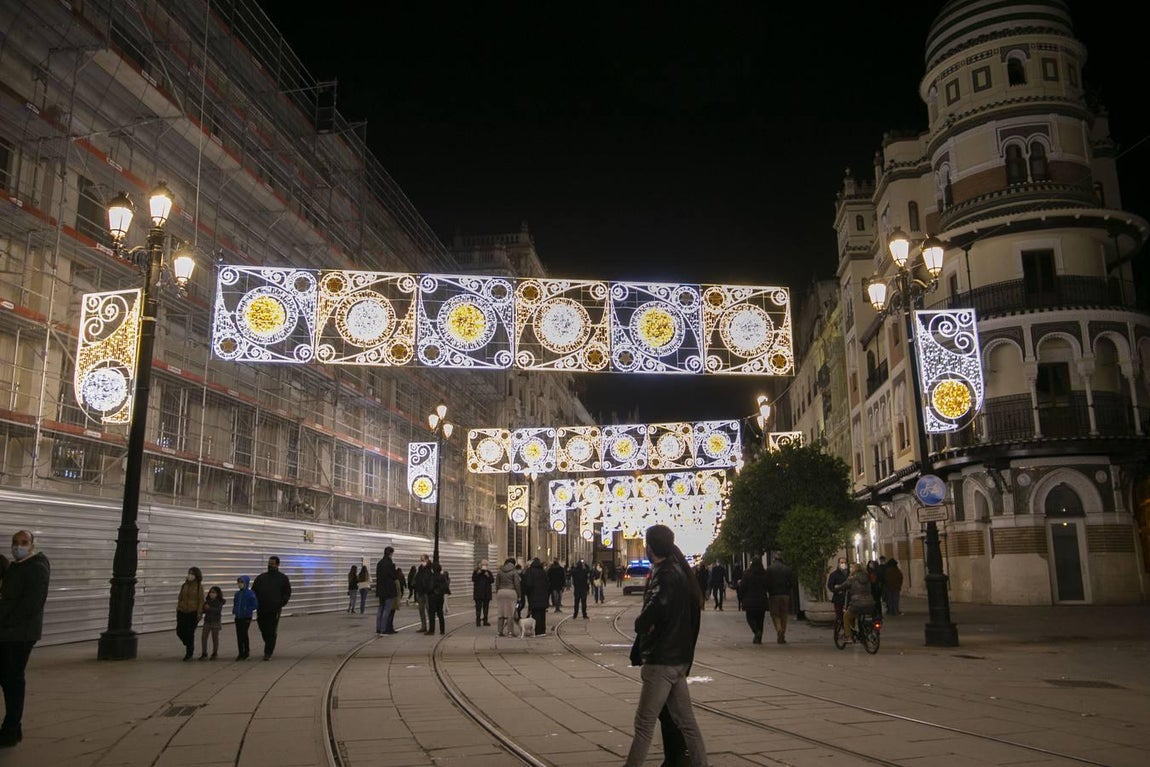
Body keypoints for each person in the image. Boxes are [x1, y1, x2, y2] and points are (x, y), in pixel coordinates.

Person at [625, 524, 707, 767]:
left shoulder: (665, 573)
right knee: (686, 722)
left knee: (644, 724)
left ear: (650, 547)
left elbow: (658, 605)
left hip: (661, 660)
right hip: (677, 659)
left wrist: (642, 623)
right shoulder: (679, 571)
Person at [0, 530, 50, 748]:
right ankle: (11, 728)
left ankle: (12, 729)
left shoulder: (37, 568)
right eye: (15, 542)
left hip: (20, 635)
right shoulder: (16, 567)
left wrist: (4, 619)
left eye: (23, 543)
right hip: (9, 633)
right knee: (9, 679)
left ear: (31, 545)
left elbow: (31, 604)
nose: (18, 546)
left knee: (12, 680)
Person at [252, 556, 292, 660]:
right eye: (269, 563)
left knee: (271, 630)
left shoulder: (283, 578)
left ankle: (268, 652)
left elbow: (287, 592)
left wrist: (281, 603)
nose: (270, 565)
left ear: (278, 565)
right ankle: (269, 643)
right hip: (261, 608)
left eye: (273, 563)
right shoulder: (261, 578)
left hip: (275, 609)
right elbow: (254, 591)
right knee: (263, 628)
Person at [764, 554, 796, 644]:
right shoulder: (788, 569)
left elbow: (766, 582)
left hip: (774, 595)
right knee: (784, 614)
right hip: (785, 595)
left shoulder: (770, 569)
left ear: (774, 560)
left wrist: (768, 590)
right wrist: (788, 589)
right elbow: (792, 582)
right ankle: (783, 633)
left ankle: (779, 629)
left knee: (775, 614)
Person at [736, 558, 768, 644]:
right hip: (761, 600)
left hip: (749, 601)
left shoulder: (747, 574)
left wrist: (740, 597)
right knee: (760, 619)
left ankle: (756, 632)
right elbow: (767, 586)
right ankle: (759, 636)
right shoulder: (764, 573)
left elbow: (742, 587)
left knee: (750, 618)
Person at [841, 562, 876, 641]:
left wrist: (836, 587)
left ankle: (849, 636)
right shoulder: (867, 578)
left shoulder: (852, 578)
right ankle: (864, 632)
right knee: (863, 616)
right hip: (870, 603)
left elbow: (843, 586)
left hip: (857, 604)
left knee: (846, 616)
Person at [176, 566, 204, 661]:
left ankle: (189, 653)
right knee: (179, 631)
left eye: (192, 573)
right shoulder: (184, 585)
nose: (190, 575)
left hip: (193, 612)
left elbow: (201, 600)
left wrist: (199, 612)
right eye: (189, 573)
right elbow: (180, 597)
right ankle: (187, 643)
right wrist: (179, 607)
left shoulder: (199, 586)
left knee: (189, 632)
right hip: (182, 611)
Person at [493, 557, 521, 637]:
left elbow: (497, 583)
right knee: (510, 613)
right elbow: (517, 584)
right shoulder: (514, 572)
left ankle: (499, 632)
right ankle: (510, 632)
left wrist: (498, 591)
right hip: (511, 593)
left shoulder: (500, 571)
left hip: (501, 593)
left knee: (501, 613)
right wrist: (519, 595)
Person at [232, 575, 258, 661]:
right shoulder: (237, 594)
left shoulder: (250, 593)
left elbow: (255, 604)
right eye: (239, 582)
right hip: (238, 617)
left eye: (242, 582)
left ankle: (246, 651)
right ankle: (240, 652)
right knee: (239, 635)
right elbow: (235, 604)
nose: (240, 584)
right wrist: (235, 611)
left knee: (244, 633)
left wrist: (247, 610)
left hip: (246, 617)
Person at [521, 557, 549, 635]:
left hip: (534, 596)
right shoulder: (543, 571)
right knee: (542, 614)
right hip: (543, 597)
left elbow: (528, 584)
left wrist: (527, 592)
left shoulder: (530, 571)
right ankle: (542, 630)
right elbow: (547, 583)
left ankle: (537, 630)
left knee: (535, 614)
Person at [375, 546, 399, 635]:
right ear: (390, 553)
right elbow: (394, 576)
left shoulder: (379, 563)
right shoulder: (390, 564)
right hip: (389, 590)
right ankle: (383, 629)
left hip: (380, 590)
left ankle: (378, 628)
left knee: (380, 608)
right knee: (387, 610)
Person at [200, 586, 226, 660]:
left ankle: (215, 653)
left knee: (215, 638)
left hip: (215, 621)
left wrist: (209, 608)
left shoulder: (219, 602)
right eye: (211, 592)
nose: (211, 594)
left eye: (213, 592)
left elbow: (217, 611)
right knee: (204, 637)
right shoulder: (207, 601)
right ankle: (204, 653)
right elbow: (204, 610)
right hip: (207, 621)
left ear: (217, 594)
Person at [425, 562, 449, 634]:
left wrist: (428, 591)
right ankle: (442, 630)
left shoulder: (432, 576)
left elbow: (430, 587)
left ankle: (431, 630)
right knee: (440, 613)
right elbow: (445, 586)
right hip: (440, 597)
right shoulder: (443, 576)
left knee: (432, 614)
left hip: (433, 597)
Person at [412, 554, 434, 632]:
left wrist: (430, 589)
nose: (422, 562)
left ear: (427, 560)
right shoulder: (420, 568)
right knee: (421, 610)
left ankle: (431, 627)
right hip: (420, 592)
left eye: (423, 560)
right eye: (421, 560)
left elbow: (432, 580)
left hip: (427, 592)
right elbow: (417, 578)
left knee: (429, 609)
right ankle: (423, 626)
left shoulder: (431, 568)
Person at [826, 556, 849, 627]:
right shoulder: (834, 574)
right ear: (838, 564)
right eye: (842, 563)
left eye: (845, 563)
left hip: (848, 597)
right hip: (838, 598)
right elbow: (830, 585)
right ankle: (838, 627)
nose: (843, 564)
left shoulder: (849, 573)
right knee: (839, 614)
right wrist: (835, 589)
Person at [472, 560, 494, 627]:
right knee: (478, 608)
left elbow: (492, 580)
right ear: (480, 565)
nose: (484, 566)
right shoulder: (476, 572)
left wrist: (488, 576)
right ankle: (478, 621)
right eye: (483, 565)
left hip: (486, 593)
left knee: (486, 608)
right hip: (478, 593)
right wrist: (478, 574)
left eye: (486, 565)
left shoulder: (489, 572)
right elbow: (473, 579)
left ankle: (485, 621)